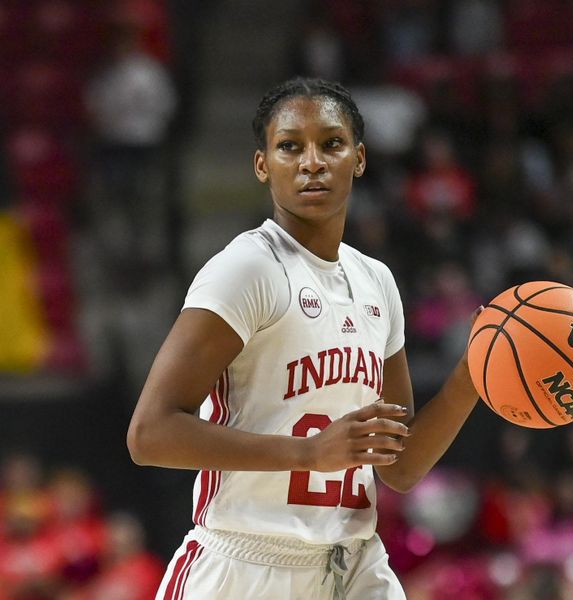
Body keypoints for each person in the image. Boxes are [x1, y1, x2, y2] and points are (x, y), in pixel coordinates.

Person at [127, 77, 482, 599]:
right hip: (246, 565)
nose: (311, 161)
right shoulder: (248, 269)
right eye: (290, 146)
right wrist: (308, 454)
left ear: (358, 159)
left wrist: (471, 376)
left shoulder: (376, 281)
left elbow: (401, 466)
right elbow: (149, 434)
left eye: (331, 144)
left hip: (354, 563)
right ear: (262, 165)